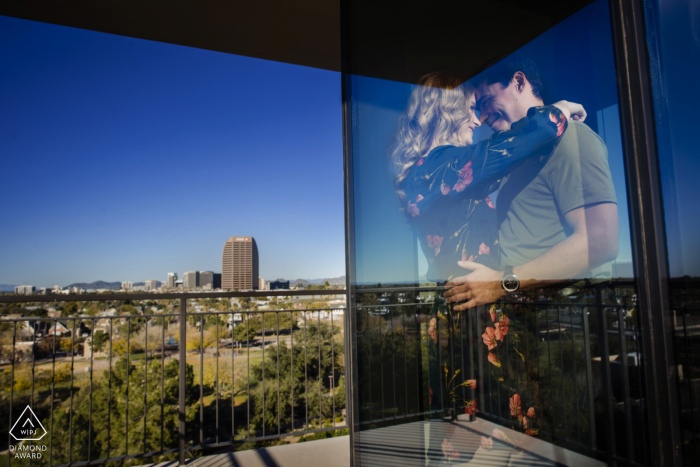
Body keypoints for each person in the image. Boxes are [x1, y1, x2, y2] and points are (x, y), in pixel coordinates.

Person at [444, 55, 619, 310]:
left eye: (486, 101)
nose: (481, 118)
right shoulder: (514, 161)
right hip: (531, 317)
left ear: (518, 82)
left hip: (565, 319)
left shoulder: (572, 138)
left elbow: (600, 241)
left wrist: (500, 284)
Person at [392, 71, 582, 284]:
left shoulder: (438, 172)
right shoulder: (434, 169)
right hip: (468, 309)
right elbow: (533, 135)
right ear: (444, 109)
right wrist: (561, 109)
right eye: (472, 108)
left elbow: (505, 166)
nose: (477, 120)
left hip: (474, 304)